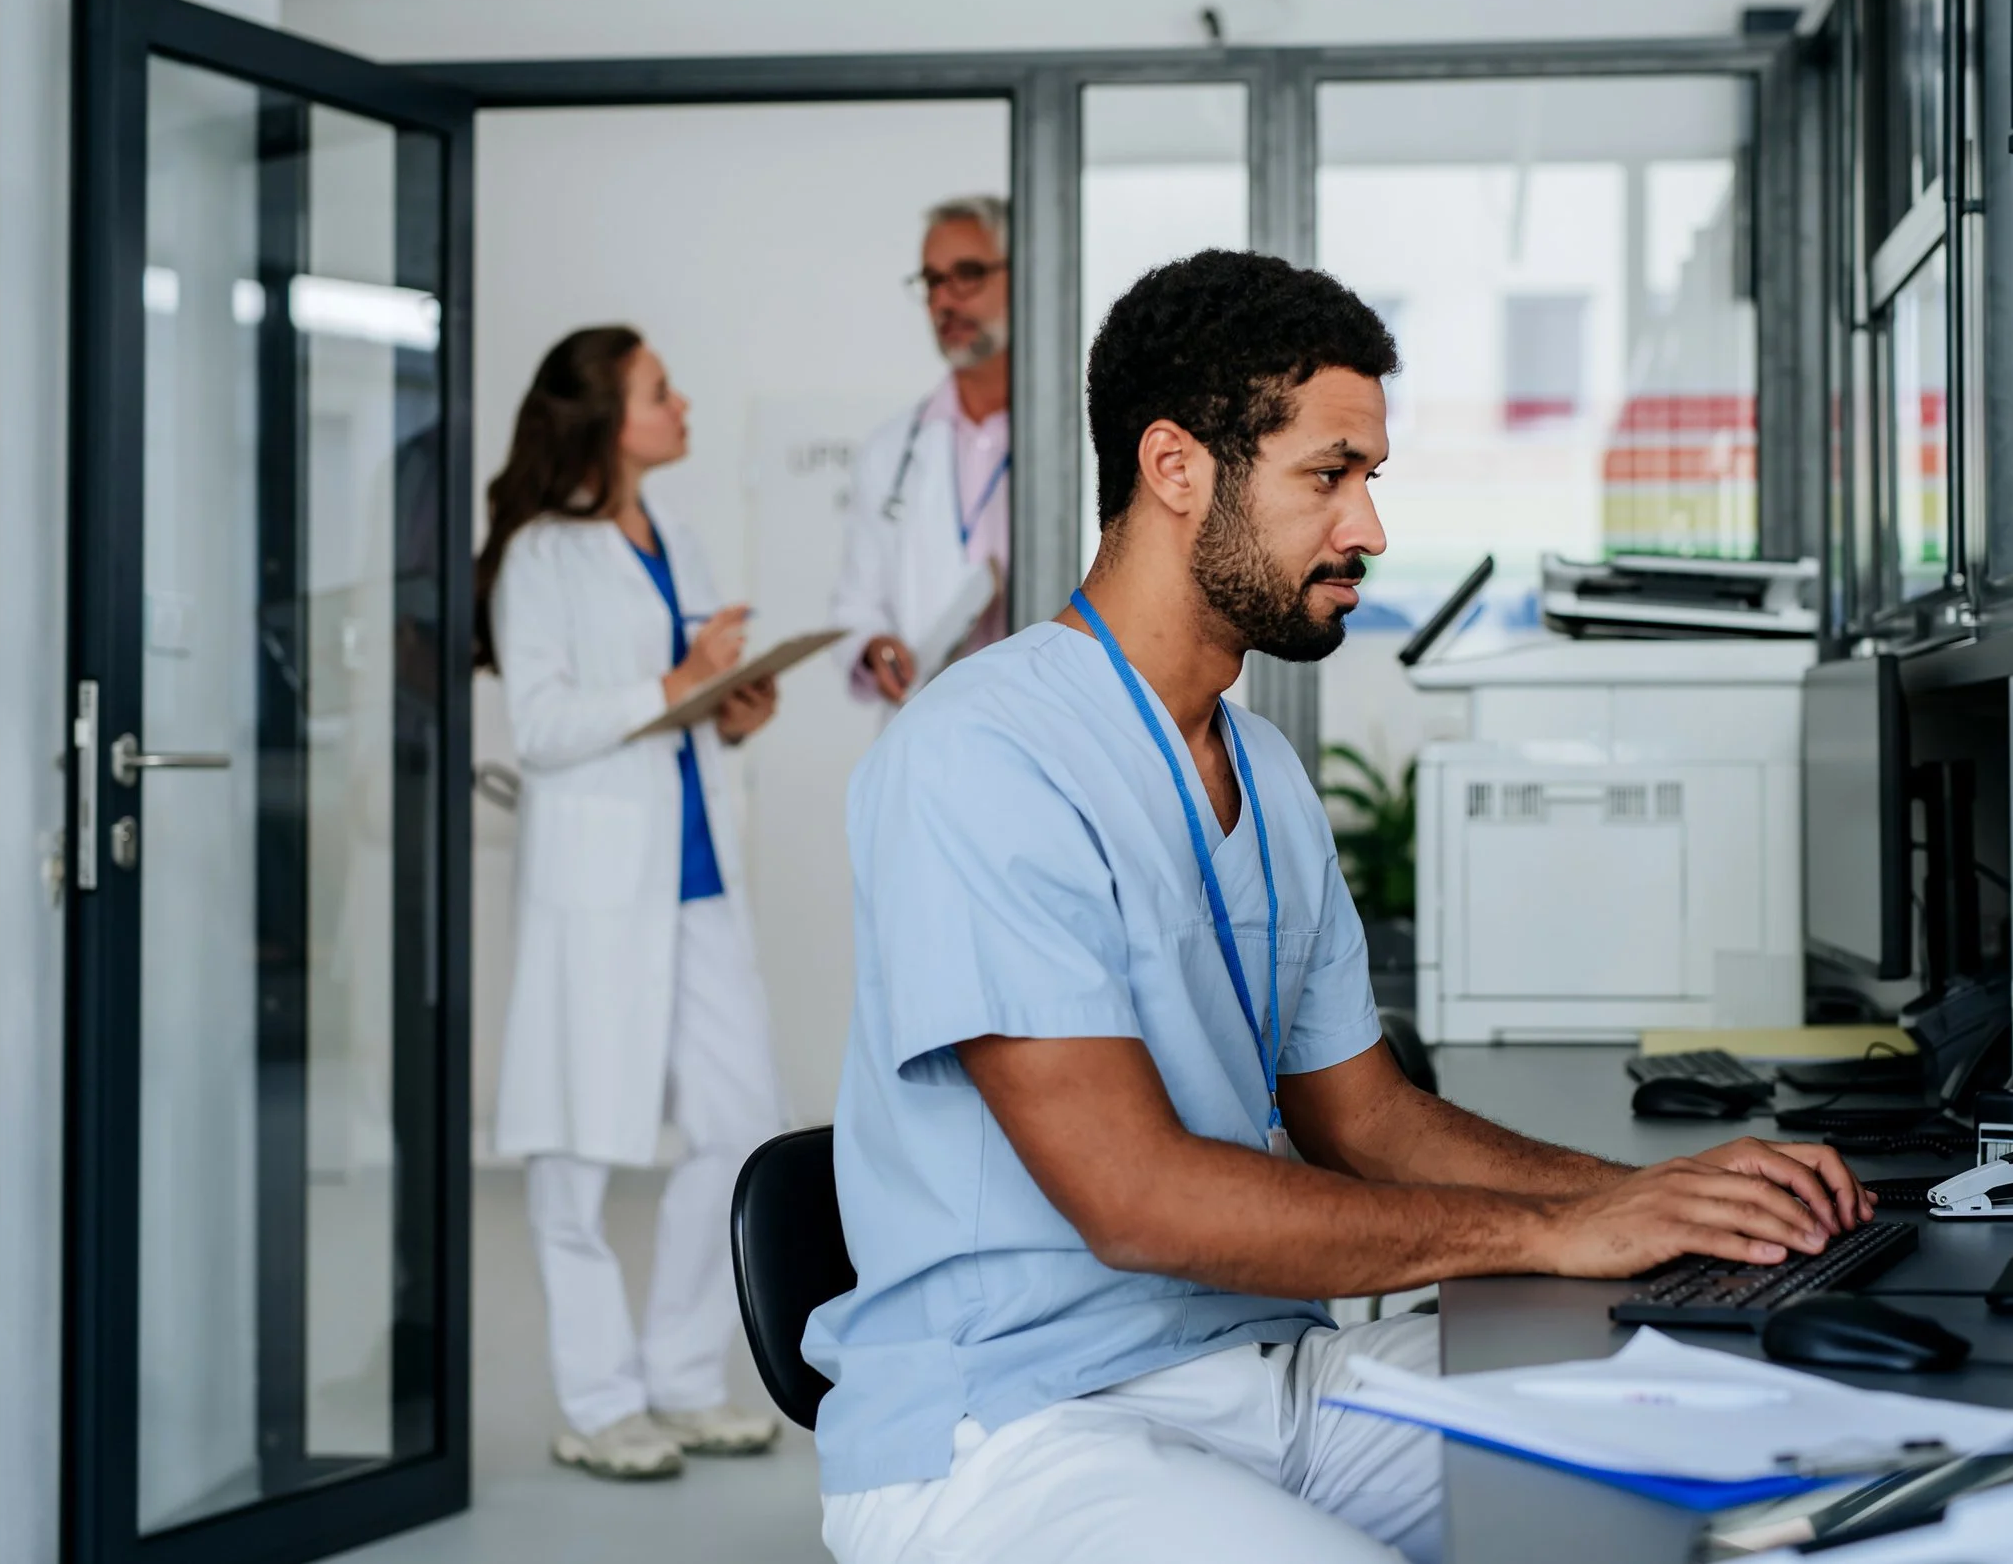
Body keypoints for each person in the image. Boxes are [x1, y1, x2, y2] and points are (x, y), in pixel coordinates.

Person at [805, 251, 1876, 1563]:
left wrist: (1658, 1200)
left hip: (1264, 1370)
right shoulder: (981, 752)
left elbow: (1362, 1116)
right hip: (1015, 1427)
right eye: (1330, 475)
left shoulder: (1261, 769)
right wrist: (1554, 1226)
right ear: (1176, 466)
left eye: (1371, 478)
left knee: (1753, 1444)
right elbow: (1137, 1199)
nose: (1367, 527)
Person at [477, 326, 789, 1481]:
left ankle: (681, 1376)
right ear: (610, 417)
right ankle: (599, 1401)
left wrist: (731, 705)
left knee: (739, 1120)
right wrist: (674, 681)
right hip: (596, 888)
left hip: (697, 876)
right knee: (572, 1145)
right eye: (663, 390)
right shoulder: (537, 557)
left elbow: (687, 708)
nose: (682, 402)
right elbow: (546, 725)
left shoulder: (679, 536)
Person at [828, 193, 1013, 707]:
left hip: (1050, 722)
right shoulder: (890, 451)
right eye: (933, 282)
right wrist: (872, 647)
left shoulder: (1076, 435)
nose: (944, 302)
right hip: (934, 725)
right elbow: (853, 608)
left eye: (968, 274)